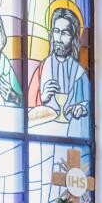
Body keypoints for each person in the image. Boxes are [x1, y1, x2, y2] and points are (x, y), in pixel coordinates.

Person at [28, 7, 89, 136]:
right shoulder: (42, 68)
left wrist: (82, 108)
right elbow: (27, 106)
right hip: (43, 133)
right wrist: (42, 97)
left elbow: (88, 104)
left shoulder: (79, 73)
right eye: (56, 31)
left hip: (71, 134)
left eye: (65, 33)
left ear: (73, 38)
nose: (59, 38)